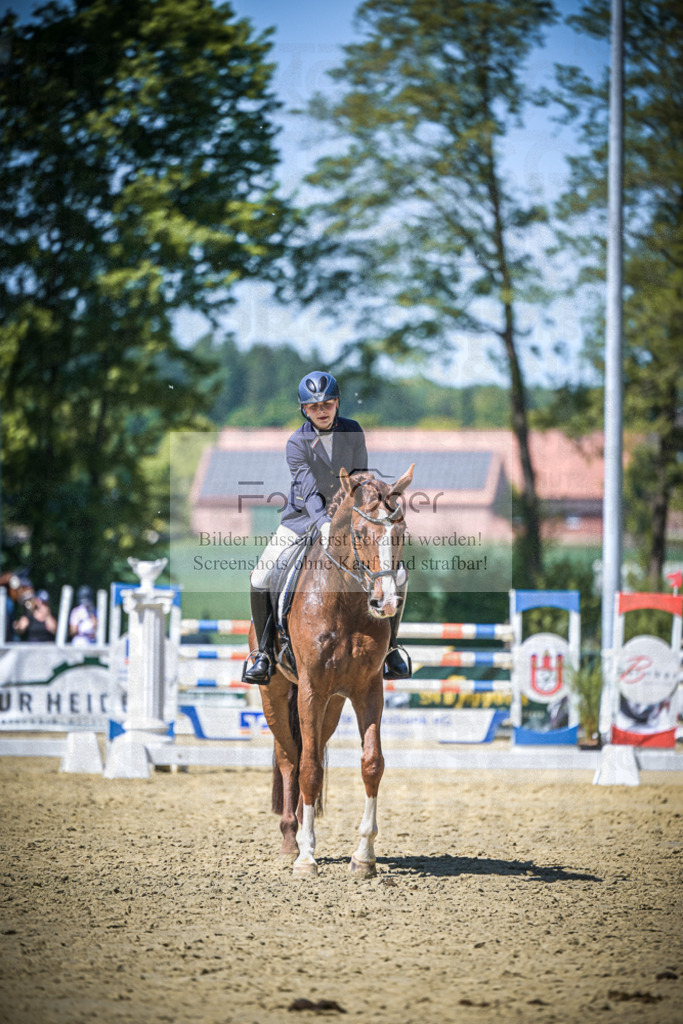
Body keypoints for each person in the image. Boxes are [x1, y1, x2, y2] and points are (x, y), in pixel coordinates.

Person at [243, 370, 411, 684]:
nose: (321, 410)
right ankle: (263, 653)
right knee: (261, 574)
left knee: (398, 573)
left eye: (327, 403)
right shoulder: (296, 442)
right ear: (304, 410)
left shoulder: (353, 430)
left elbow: (360, 478)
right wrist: (322, 523)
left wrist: (373, 508)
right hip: (302, 518)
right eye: (314, 406)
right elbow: (307, 488)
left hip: (350, 520)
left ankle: (392, 649)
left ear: (337, 403)